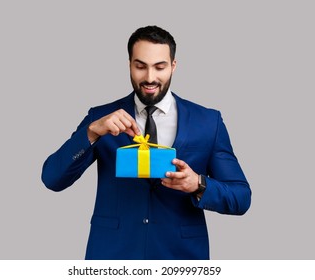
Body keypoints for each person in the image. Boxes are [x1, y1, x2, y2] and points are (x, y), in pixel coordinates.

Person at [41, 25, 251, 260]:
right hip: (112, 256)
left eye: (159, 67)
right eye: (140, 66)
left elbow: (241, 197)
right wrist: (91, 132)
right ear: (129, 64)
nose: (150, 78)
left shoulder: (208, 122)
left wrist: (199, 185)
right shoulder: (100, 118)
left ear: (173, 66)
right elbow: (52, 178)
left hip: (181, 258)